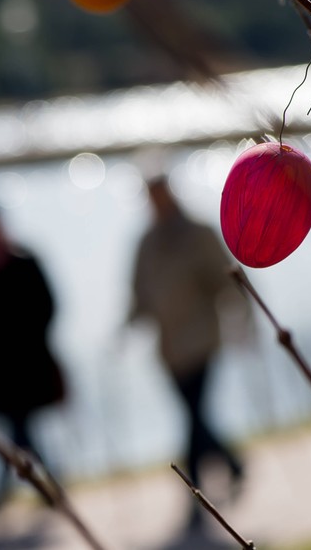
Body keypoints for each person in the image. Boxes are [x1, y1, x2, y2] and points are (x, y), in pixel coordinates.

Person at [128, 176, 249, 530]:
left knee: (193, 419)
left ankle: (195, 500)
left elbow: (226, 278)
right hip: (169, 350)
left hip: (201, 342)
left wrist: (244, 312)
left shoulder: (199, 233)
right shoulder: (147, 242)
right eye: (151, 197)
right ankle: (231, 463)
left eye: (159, 194)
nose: (156, 202)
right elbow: (139, 291)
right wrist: (130, 320)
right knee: (195, 417)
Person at [0, 204, 65, 510]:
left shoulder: (25, 260)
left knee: (18, 430)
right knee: (19, 429)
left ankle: (20, 488)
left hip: (27, 365)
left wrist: (35, 341)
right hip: (0, 368)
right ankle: (44, 485)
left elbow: (49, 306)